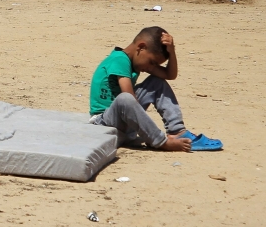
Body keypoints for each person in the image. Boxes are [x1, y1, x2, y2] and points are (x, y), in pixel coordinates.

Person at [89, 27, 222, 151]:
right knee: (126, 98)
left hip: (123, 121)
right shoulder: (120, 60)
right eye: (152, 62)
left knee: (157, 82)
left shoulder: (136, 60)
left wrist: (172, 50)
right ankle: (160, 142)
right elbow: (128, 98)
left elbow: (170, 75)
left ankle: (177, 131)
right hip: (104, 122)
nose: (151, 67)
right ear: (141, 47)